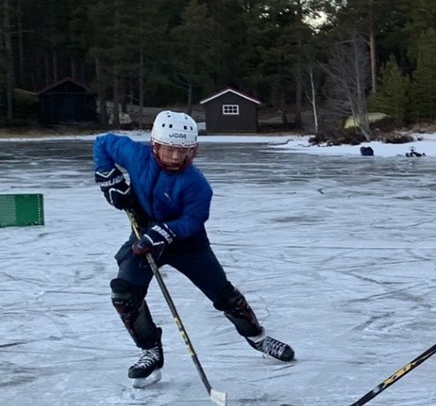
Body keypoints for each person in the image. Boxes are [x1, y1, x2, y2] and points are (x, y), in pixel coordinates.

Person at [93, 110, 294, 387]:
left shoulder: (197, 185)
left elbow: (193, 219)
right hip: (143, 235)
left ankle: (257, 337)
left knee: (225, 295)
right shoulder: (135, 156)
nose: (176, 158)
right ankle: (150, 351)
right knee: (124, 293)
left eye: (184, 152)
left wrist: (164, 233)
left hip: (188, 244)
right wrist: (108, 178)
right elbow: (102, 143)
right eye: (170, 150)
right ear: (155, 146)